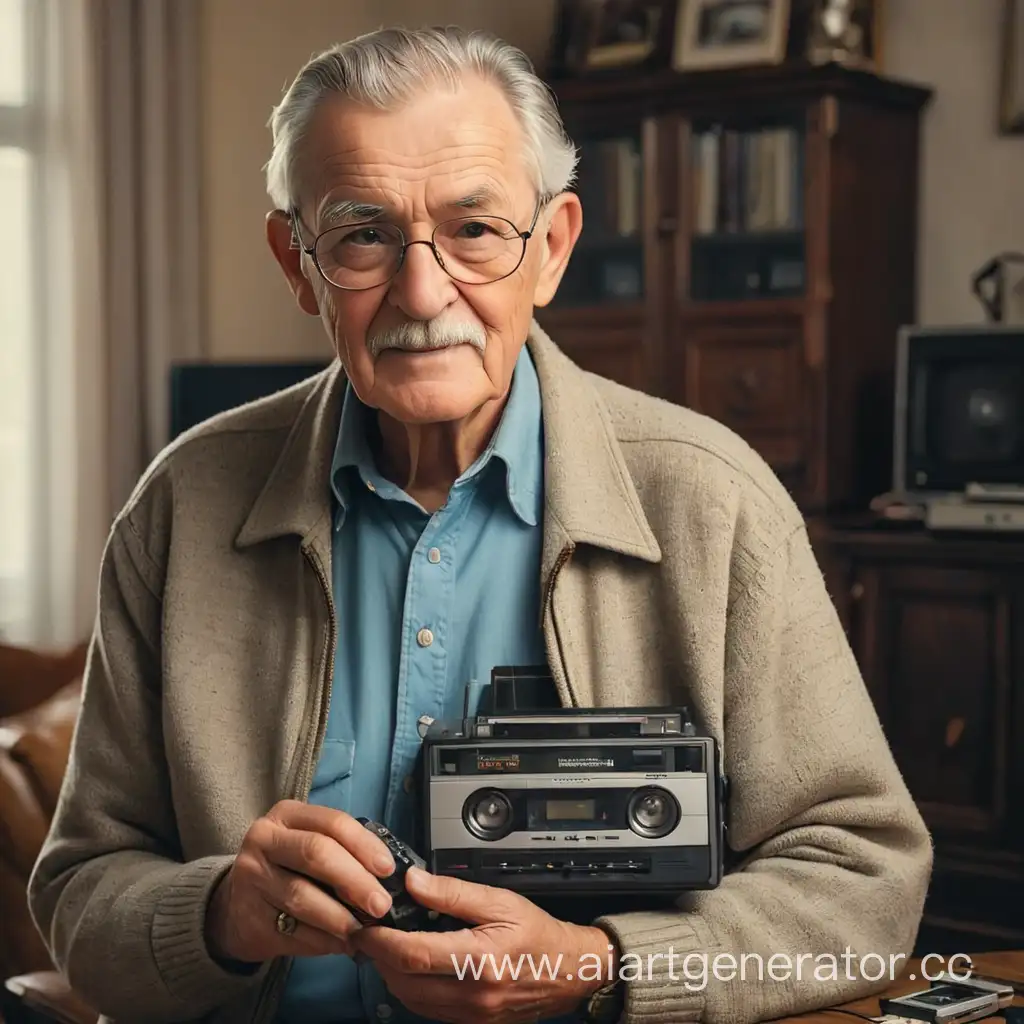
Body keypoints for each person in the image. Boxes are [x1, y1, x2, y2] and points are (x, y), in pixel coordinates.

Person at [28, 24, 933, 1024]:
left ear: (549, 249)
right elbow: (80, 893)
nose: (423, 293)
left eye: (474, 231)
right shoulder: (179, 507)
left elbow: (865, 888)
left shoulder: (714, 502)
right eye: (363, 234)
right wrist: (222, 914)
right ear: (299, 262)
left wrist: (607, 963)